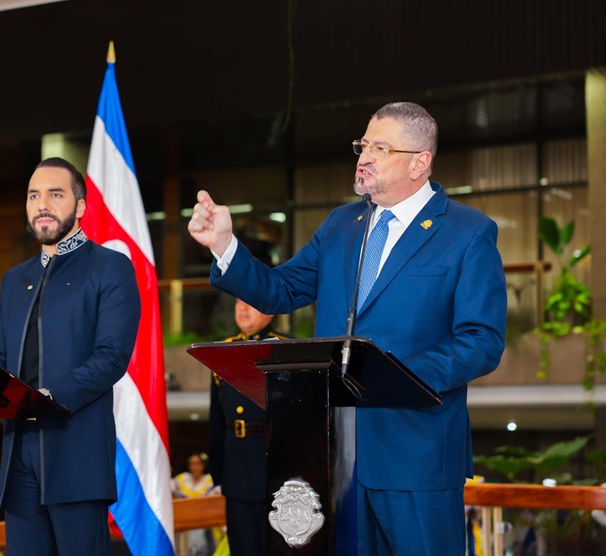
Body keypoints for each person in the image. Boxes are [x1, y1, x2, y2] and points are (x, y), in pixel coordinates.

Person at [188, 102, 507, 555]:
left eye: (381, 147)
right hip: (333, 458)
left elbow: (481, 341)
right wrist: (224, 245)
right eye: (363, 145)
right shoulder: (341, 225)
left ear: (420, 162)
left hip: (416, 458)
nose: (365, 156)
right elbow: (280, 290)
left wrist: (396, 376)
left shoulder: (468, 232)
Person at [0, 157, 141, 555]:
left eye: (55, 194)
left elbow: (111, 357)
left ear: (81, 205)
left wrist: (48, 398)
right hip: (18, 460)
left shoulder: (110, 267)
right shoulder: (13, 280)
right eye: (34, 195)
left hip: (76, 455)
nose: (43, 205)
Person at [209, 298, 291, 556]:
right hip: (237, 468)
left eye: (251, 303)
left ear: (271, 310)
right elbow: (217, 418)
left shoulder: (289, 348)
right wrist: (217, 471)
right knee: (242, 547)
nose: (242, 309)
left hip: (276, 468)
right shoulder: (222, 351)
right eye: (237, 303)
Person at [171, 453, 219, 556]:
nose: (194, 467)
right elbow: (168, 489)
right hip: (185, 525)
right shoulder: (182, 479)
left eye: (197, 464)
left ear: (203, 465)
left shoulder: (209, 480)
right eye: (192, 464)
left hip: (206, 524)